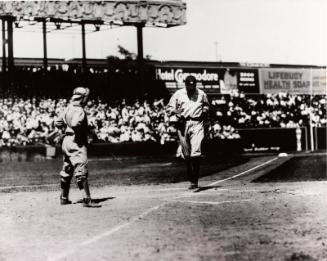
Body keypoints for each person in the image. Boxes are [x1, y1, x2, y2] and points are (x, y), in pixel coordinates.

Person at [55, 87, 100, 207]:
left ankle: (64, 198)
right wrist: (82, 131)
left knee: (67, 169)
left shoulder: (68, 108)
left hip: (66, 141)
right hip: (77, 142)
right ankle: (87, 199)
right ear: (83, 97)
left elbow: (58, 123)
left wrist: (66, 130)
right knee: (81, 170)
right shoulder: (79, 110)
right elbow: (75, 123)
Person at [167, 75, 210, 189]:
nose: (191, 88)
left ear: (196, 85)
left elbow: (206, 105)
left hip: (197, 123)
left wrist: (205, 110)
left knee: (196, 152)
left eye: (193, 86)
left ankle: (194, 180)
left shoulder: (201, 94)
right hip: (182, 124)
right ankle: (191, 177)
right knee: (186, 155)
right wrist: (177, 111)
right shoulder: (178, 94)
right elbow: (168, 109)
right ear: (185, 85)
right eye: (189, 86)